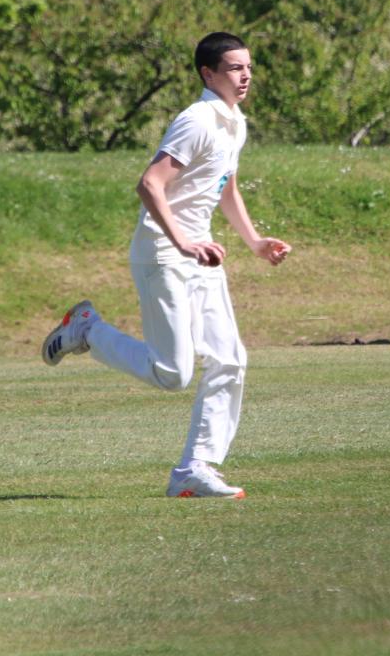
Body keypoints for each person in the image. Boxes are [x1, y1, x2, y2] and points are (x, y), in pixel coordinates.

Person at [41, 32, 292, 497]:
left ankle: (193, 471)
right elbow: (150, 184)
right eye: (235, 68)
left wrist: (254, 241)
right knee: (172, 374)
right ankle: (87, 329)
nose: (246, 76)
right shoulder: (196, 120)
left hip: (200, 254)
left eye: (249, 67)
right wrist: (182, 242)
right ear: (208, 74)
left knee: (230, 360)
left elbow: (225, 187)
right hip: (164, 251)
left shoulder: (235, 122)